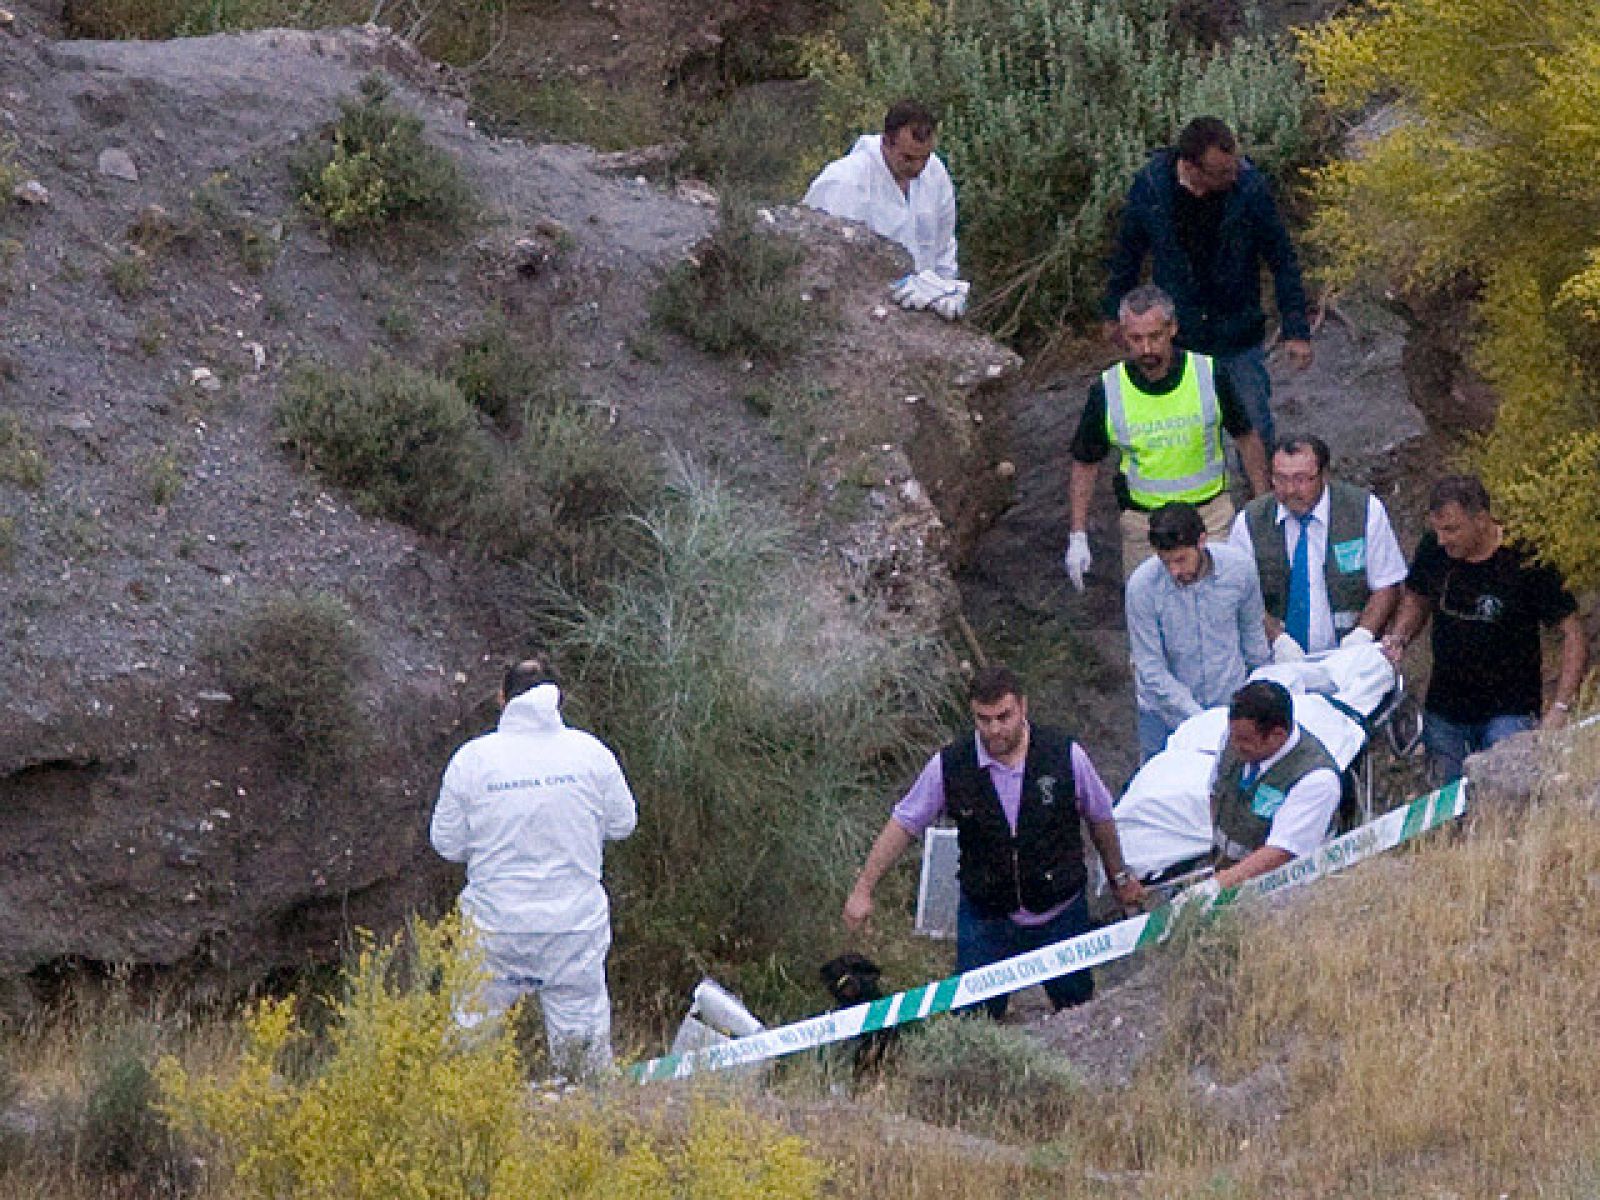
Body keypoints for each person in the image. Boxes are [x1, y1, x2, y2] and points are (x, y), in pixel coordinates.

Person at [843, 665, 1145, 1019]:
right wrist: (864, 887)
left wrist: (1120, 878)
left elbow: (1100, 819)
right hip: (986, 917)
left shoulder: (1064, 755)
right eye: (983, 720)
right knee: (973, 1021)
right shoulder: (951, 765)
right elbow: (904, 823)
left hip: (1060, 911)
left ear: (1023, 708)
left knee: (1077, 1011)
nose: (995, 729)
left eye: (1004, 717)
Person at [429, 657, 637, 1073]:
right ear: (558, 699)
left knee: (472, 1054)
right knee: (585, 1062)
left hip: (495, 928)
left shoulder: (473, 760)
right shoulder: (591, 754)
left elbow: (447, 844)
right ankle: (584, 1127)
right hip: (573, 927)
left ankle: (474, 1128)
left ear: (502, 699)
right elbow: (623, 824)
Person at [1102, 116, 1312, 452]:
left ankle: (1263, 502)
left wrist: (1296, 329)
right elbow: (1127, 253)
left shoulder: (1250, 189)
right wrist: (1114, 311)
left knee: (1254, 428)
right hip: (1181, 336)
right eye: (1222, 173)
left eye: (1233, 167)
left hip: (1238, 333)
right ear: (1190, 167)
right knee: (1186, 434)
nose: (1233, 176)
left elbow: (1282, 259)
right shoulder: (1152, 187)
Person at [1381, 475, 1588, 783]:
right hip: (1445, 711)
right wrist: (1399, 637)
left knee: (1502, 801)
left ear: (1481, 519)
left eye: (1451, 529)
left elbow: (1571, 632)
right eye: (1437, 530)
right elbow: (1416, 598)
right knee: (1446, 809)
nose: (1443, 540)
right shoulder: (1434, 551)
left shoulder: (1526, 558)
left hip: (1510, 711)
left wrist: (1560, 706)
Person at [1066, 283, 1269, 587]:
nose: (1146, 349)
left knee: (1221, 612)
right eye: (1135, 339)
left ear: (1172, 328)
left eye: (1154, 337)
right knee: (1153, 621)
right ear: (1123, 335)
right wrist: (1077, 534)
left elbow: (1247, 439)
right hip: (1143, 529)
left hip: (1210, 520)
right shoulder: (1108, 390)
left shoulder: (1209, 374)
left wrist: (1262, 509)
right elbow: (1085, 462)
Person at [1229, 434, 1407, 658]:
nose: (1290, 490)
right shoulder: (1250, 522)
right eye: (1280, 479)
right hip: (1275, 659)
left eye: (1301, 479)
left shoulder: (1364, 511)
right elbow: (1241, 596)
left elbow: (1386, 584)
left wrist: (1362, 634)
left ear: (1324, 475)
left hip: (1351, 656)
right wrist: (1277, 640)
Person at [1127, 501, 1271, 761]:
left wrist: (1258, 692)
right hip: (1164, 716)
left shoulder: (1239, 569)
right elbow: (1149, 666)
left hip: (1229, 703)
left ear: (1202, 541)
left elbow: (1253, 637)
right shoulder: (1142, 588)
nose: (1174, 571)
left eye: (1181, 560)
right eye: (1165, 562)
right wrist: (1196, 716)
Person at [803, 100, 964, 316]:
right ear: (886, 142)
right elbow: (823, 259)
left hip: (925, 307)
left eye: (923, 158)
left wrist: (947, 289)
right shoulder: (844, 183)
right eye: (908, 158)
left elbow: (943, 244)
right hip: (865, 309)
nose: (917, 167)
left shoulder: (934, 173)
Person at [1209, 680, 1341, 888]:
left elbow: (1280, 852)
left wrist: (1214, 888)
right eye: (1232, 737)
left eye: (1244, 741)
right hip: (1229, 870)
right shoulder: (1236, 737)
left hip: (1284, 890)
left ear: (1277, 736)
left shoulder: (1316, 780)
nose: (1234, 746)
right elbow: (1216, 791)